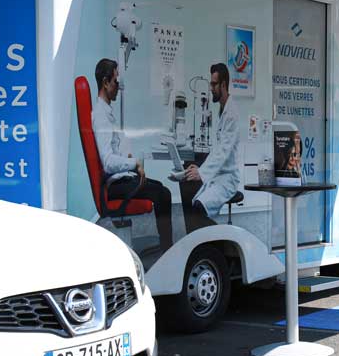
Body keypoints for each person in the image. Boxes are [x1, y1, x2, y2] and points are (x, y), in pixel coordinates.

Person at [92, 58, 174, 250]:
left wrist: (126, 158)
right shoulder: (101, 116)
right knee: (163, 194)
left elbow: (112, 151)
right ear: (105, 82)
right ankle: (167, 249)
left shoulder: (105, 113)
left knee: (160, 187)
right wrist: (134, 164)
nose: (118, 87)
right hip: (115, 186)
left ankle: (166, 247)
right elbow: (107, 162)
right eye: (115, 81)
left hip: (119, 180)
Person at [175, 63, 241, 228]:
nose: (210, 88)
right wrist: (198, 168)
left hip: (227, 179)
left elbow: (223, 151)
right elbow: (218, 149)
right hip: (218, 174)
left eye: (213, 84)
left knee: (198, 208)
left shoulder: (231, 113)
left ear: (223, 85)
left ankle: (217, 244)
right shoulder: (222, 109)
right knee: (186, 181)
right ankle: (194, 240)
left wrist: (202, 172)